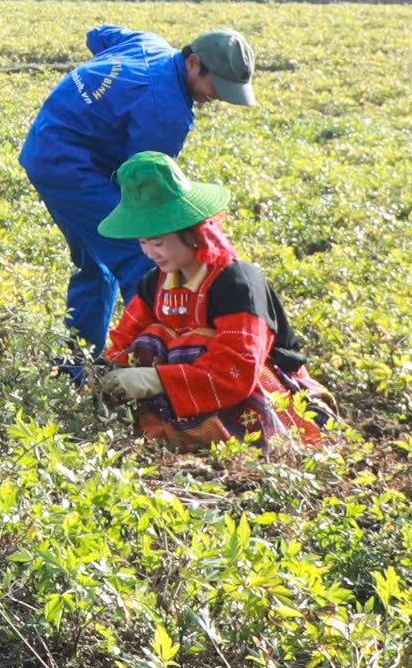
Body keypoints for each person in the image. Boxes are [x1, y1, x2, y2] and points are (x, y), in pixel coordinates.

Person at [18, 25, 256, 356]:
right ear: (194, 63)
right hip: (70, 168)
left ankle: (76, 367)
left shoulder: (147, 44)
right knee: (145, 255)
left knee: (97, 266)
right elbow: (148, 192)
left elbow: (97, 35)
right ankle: (155, 363)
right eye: (216, 84)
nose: (218, 96)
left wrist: (104, 94)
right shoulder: (166, 112)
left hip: (44, 148)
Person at [93, 152, 333, 449]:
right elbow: (125, 339)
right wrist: (103, 374)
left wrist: (157, 379)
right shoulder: (154, 283)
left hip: (258, 388)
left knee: (195, 340)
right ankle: (176, 427)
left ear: (193, 233)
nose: (151, 253)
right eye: (143, 242)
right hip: (189, 389)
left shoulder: (237, 283)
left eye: (157, 242)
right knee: (152, 337)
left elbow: (238, 368)